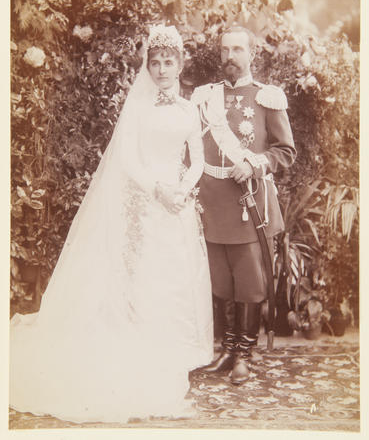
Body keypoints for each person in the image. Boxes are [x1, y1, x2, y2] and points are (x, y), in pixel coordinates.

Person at [9, 24, 213, 423]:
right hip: (146, 200)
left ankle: (179, 351)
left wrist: (183, 190)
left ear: (180, 64)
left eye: (168, 61)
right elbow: (126, 161)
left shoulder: (190, 109)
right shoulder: (137, 107)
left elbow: (198, 158)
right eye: (154, 62)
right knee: (144, 271)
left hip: (177, 202)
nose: (161, 69)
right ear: (148, 66)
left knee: (177, 272)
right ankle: (147, 347)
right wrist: (158, 191)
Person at [191, 25, 296, 385]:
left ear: (252, 54)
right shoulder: (205, 97)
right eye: (225, 50)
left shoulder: (268, 98)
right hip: (211, 200)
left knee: (249, 281)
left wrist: (253, 163)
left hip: (248, 205)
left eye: (238, 49)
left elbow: (285, 151)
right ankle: (227, 348)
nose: (230, 57)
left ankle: (243, 355)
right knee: (220, 280)